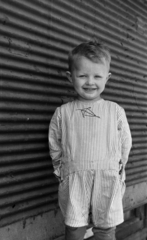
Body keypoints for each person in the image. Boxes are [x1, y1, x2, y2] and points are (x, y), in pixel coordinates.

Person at [48, 39, 132, 240]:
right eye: (83, 75)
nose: (90, 82)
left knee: (105, 229)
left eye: (97, 76)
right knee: (74, 228)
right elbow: (55, 143)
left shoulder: (115, 111)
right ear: (71, 77)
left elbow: (125, 142)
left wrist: (118, 168)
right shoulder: (63, 113)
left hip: (107, 177)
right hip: (75, 177)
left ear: (107, 78)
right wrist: (60, 169)